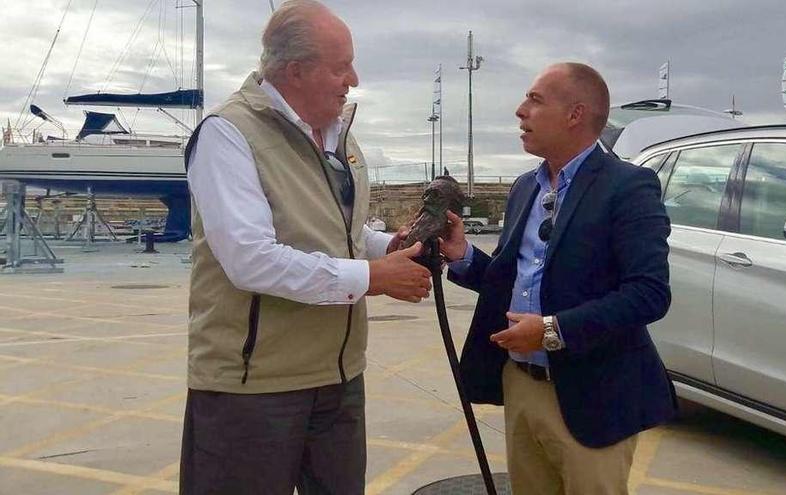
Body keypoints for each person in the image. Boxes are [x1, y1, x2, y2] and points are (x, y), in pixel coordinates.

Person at [179, 1, 431, 493]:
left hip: (338, 379)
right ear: (295, 70)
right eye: (341, 67)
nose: (353, 79)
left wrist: (390, 247)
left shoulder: (340, 138)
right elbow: (250, 259)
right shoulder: (228, 134)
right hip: (254, 387)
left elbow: (341, 235)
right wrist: (371, 278)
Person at [441, 62, 677, 494]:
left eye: (535, 100)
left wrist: (551, 331)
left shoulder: (628, 186)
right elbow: (510, 281)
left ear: (575, 115)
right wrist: (462, 255)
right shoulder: (524, 187)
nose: (520, 111)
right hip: (522, 383)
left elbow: (648, 293)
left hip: (593, 394)